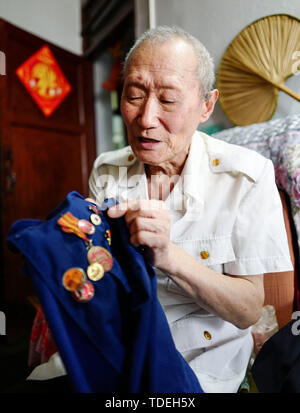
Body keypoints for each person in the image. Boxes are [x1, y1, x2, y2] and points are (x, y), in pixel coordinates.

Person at [88, 26, 293, 393]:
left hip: (202, 366)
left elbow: (248, 309)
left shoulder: (246, 176)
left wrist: (168, 255)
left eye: (167, 100)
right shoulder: (107, 170)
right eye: (134, 95)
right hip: (121, 350)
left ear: (206, 105)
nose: (146, 118)